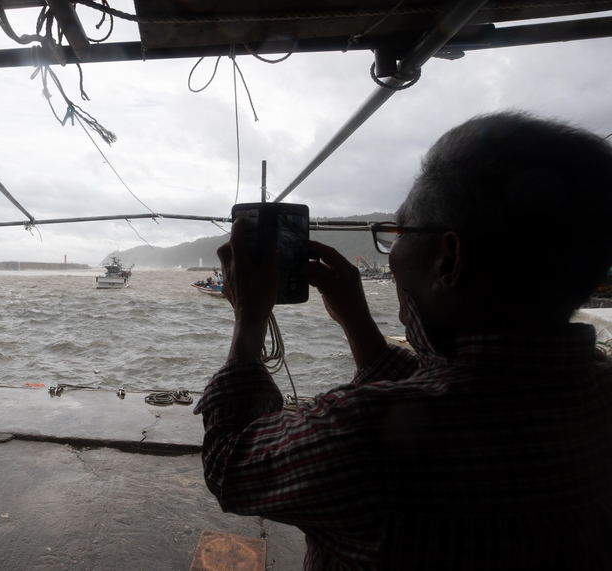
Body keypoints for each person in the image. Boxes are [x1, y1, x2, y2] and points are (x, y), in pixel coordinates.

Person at [196, 112, 612, 570]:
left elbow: (231, 466)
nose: (392, 259)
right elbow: (466, 389)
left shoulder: (360, 433)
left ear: (448, 259)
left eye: (398, 233)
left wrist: (250, 316)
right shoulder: (598, 390)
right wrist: (357, 321)